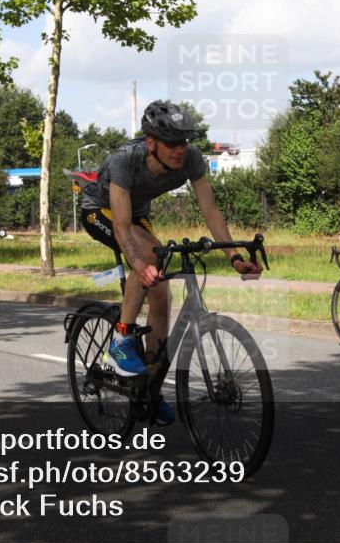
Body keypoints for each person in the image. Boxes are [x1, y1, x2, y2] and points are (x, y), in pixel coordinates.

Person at [80, 100, 261, 424]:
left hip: (137, 215)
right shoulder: (126, 160)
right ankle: (121, 340)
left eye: (184, 142)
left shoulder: (190, 159)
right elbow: (122, 227)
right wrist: (139, 264)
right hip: (100, 210)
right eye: (172, 143)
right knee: (150, 256)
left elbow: (210, 210)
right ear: (151, 143)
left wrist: (234, 257)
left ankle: (149, 388)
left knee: (161, 292)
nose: (180, 150)